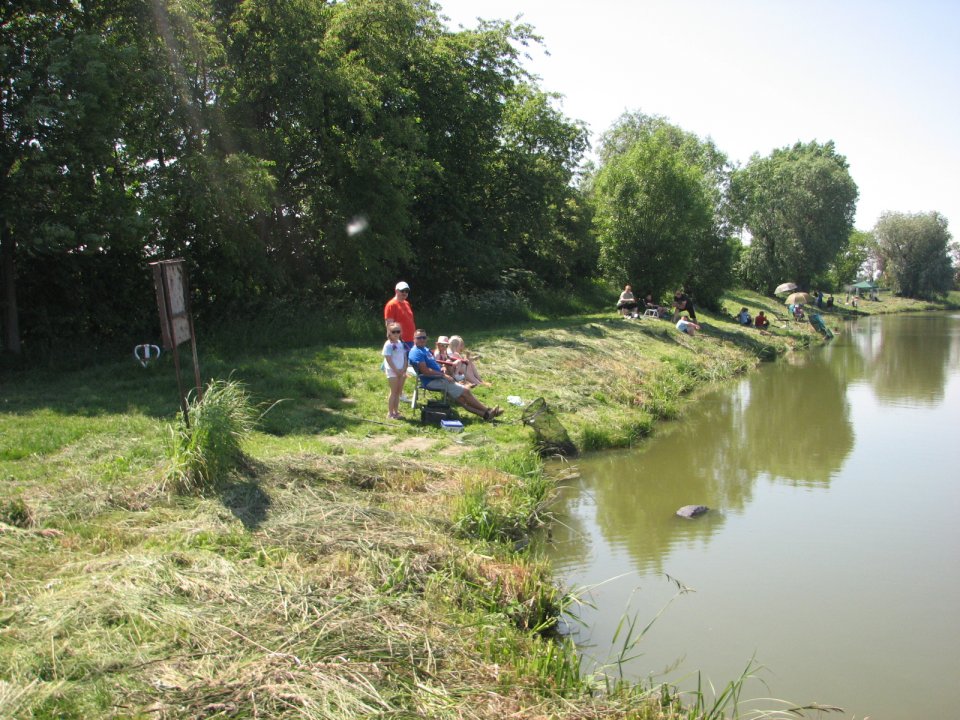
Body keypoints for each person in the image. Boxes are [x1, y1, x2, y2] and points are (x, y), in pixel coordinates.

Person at [408, 330, 502, 420]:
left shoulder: (424, 349)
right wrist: (443, 375)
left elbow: (433, 364)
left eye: (424, 337)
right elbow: (426, 371)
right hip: (431, 381)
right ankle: (488, 410)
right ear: (414, 338)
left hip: (437, 377)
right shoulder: (416, 352)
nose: (422, 340)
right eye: (419, 337)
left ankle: (486, 415)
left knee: (461, 399)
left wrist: (442, 368)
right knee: (466, 391)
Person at [382, 323, 408, 419]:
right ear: (389, 333)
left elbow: (405, 356)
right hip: (392, 371)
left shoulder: (400, 343)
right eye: (394, 332)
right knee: (393, 392)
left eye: (398, 331)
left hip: (401, 370)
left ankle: (396, 412)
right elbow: (388, 359)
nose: (396, 334)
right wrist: (396, 370)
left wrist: (404, 368)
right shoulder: (388, 344)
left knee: (398, 392)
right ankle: (390, 413)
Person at [384, 281, 415, 349]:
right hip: (400, 341)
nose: (404, 293)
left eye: (406, 291)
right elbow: (389, 325)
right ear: (396, 291)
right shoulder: (391, 305)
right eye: (402, 291)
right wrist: (393, 341)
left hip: (411, 339)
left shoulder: (406, 303)